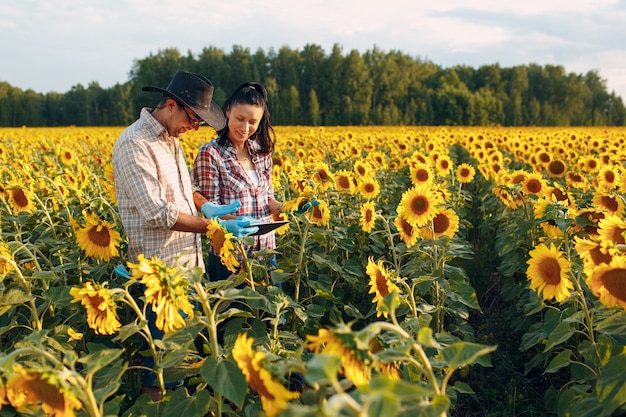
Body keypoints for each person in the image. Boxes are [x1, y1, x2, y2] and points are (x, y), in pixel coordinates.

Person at [112, 70, 257, 400]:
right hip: (159, 276)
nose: (194, 128)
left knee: (180, 363)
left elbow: (186, 189)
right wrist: (215, 227)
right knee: (161, 369)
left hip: (187, 269)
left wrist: (206, 207)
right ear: (170, 104)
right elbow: (157, 212)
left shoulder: (170, 141)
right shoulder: (135, 144)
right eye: (193, 119)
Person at [193, 82, 283, 280]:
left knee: (272, 309)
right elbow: (211, 209)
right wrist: (238, 224)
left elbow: (268, 198)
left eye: (252, 121)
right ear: (227, 112)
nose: (245, 127)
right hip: (231, 253)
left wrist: (287, 208)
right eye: (240, 119)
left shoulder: (262, 152)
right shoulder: (211, 153)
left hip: (266, 252)